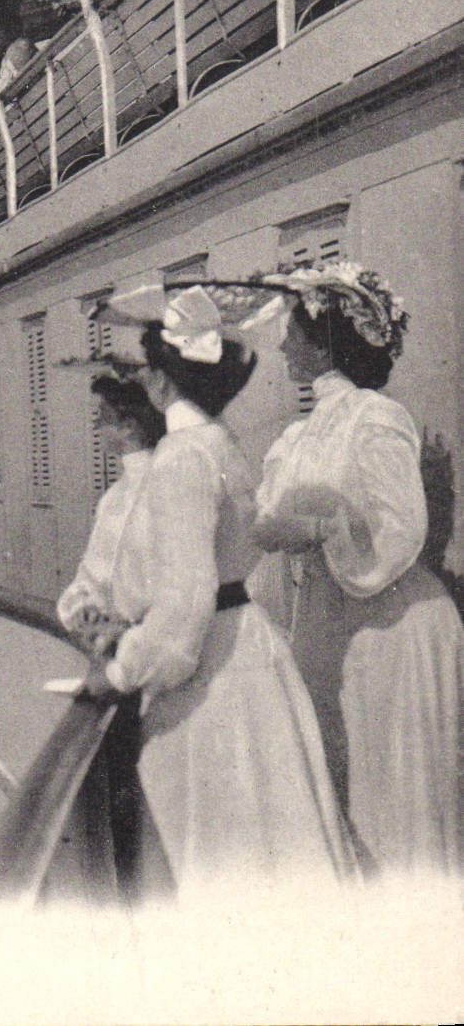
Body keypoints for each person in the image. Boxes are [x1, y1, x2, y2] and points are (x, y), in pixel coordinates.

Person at [77, 288, 352, 897]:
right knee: (273, 842)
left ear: (162, 379)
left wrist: (119, 671)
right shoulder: (221, 444)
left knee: (210, 851)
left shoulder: (179, 459)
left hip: (209, 674)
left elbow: (181, 612)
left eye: (147, 366)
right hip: (251, 654)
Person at [250, 262, 463, 878]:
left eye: (293, 330)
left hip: (388, 630)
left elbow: (400, 531)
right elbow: (268, 525)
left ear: (325, 342)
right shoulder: (299, 435)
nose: (283, 343)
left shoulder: (375, 416)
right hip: (326, 626)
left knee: (389, 808)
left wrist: (319, 530)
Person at [57, 375, 165, 652]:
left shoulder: (163, 484)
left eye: (103, 419)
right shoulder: (115, 497)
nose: (96, 426)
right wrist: (85, 607)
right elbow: (92, 576)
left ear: (128, 428)